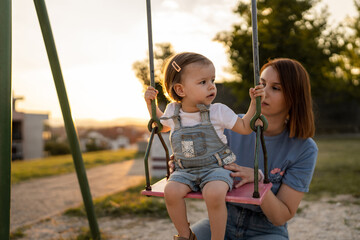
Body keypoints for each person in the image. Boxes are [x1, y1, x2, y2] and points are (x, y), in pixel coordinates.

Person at [189, 58, 318, 240]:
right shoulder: (230, 126)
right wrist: (186, 164)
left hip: (266, 230)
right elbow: (203, 172)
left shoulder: (304, 148)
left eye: (276, 88)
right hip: (222, 221)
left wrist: (259, 182)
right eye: (262, 84)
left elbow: (280, 216)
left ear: (293, 97)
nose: (263, 92)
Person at [144, 52, 265, 240]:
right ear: (181, 90)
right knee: (171, 191)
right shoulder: (173, 111)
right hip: (184, 170)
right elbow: (160, 126)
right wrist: (150, 104)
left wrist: (253, 105)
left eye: (213, 80)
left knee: (214, 193)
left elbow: (243, 128)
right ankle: (185, 235)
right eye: (203, 82)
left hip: (215, 169)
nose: (211, 86)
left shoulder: (218, 111)